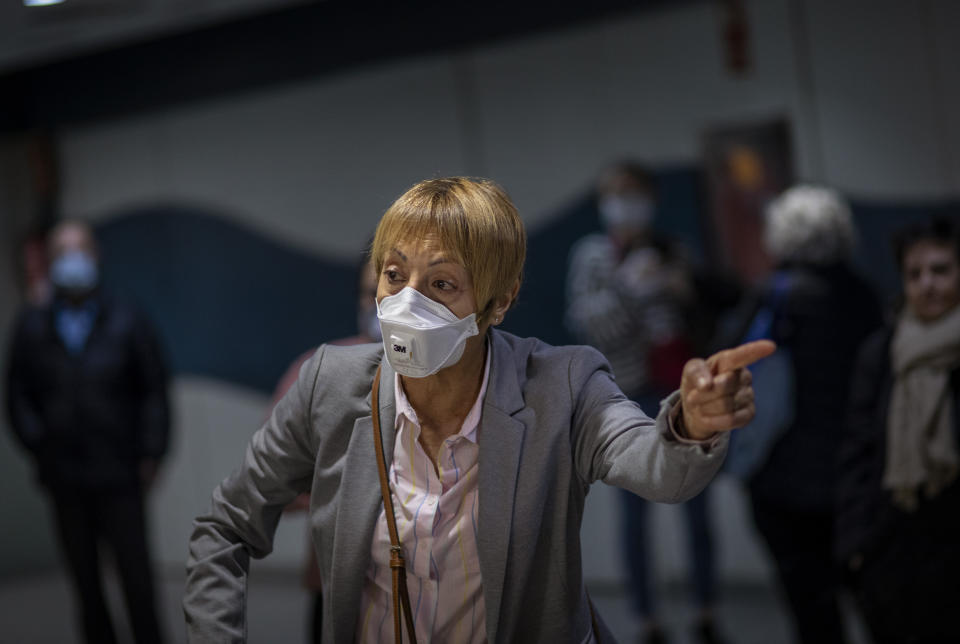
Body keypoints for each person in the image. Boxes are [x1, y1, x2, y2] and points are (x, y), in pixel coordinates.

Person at [183, 177, 773, 643]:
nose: (406, 302)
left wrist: (691, 422)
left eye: (441, 284)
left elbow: (651, 464)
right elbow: (226, 526)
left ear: (499, 302)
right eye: (393, 276)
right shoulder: (329, 384)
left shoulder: (562, 383)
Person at [565, 161, 725, 644]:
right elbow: (591, 326)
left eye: (635, 195)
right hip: (626, 392)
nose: (626, 206)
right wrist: (629, 289)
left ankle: (706, 609)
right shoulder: (592, 256)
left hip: (681, 387)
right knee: (635, 511)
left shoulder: (670, 249)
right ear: (602, 203)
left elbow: (703, 313)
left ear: (652, 201)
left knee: (699, 500)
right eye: (616, 195)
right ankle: (646, 618)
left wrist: (682, 288)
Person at [721, 186, 881, 644]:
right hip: (856, 481)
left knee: (812, 613)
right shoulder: (865, 297)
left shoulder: (774, 297)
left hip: (783, 484)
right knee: (873, 602)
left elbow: (729, 362)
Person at [5, 219, 171, 644]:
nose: (72, 260)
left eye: (79, 250)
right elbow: (18, 396)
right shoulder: (32, 326)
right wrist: (41, 446)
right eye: (62, 252)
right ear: (51, 263)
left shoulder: (128, 318)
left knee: (136, 579)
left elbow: (153, 389)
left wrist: (151, 452)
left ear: (95, 257)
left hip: (121, 474)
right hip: (65, 478)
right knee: (85, 583)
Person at [836, 217, 960, 644]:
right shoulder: (883, 351)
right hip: (896, 552)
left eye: (941, 270)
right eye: (915, 274)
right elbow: (858, 451)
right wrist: (856, 548)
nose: (927, 284)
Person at [271, 255, 381, 644]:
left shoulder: (458, 380)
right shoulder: (319, 371)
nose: (387, 302)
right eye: (374, 292)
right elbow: (274, 481)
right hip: (336, 585)